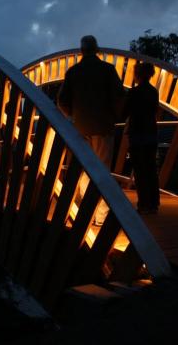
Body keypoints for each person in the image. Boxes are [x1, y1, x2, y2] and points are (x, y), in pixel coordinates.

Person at [57, 35, 125, 225]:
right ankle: (101, 216)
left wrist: (72, 116)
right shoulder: (108, 70)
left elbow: (61, 100)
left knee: (84, 169)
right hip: (104, 127)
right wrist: (114, 116)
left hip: (80, 128)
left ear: (82, 51)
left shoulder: (74, 72)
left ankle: (82, 213)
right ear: (97, 49)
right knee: (103, 171)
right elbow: (119, 97)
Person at [123, 62, 160, 214]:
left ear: (137, 74)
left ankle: (143, 203)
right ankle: (153, 203)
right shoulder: (153, 91)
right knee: (151, 169)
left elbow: (124, 111)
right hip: (151, 133)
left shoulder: (133, 92)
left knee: (139, 170)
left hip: (137, 134)